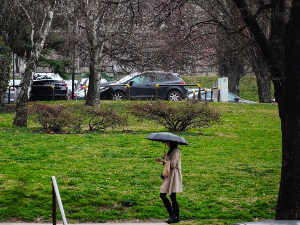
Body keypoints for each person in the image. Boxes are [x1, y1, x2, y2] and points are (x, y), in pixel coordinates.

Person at [156, 140, 182, 224]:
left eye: (168, 142)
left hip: (173, 175)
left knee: (163, 195)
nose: (167, 143)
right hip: (170, 175)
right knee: (172, 196)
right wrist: (162, 161)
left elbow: (173, 164)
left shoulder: (176, 151)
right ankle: (176, 217)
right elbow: (169, 163)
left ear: (172, 142)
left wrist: (166, 158)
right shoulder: (172, 151)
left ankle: (172, 215)